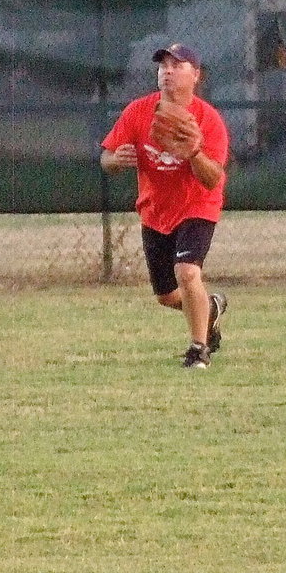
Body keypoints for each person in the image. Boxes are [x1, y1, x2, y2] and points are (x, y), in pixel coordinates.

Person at [100, 42, 229, 369]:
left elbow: (213, 179)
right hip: (156, 211)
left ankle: (199, 349)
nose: (167, 71)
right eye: (163, 66)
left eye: (177, 65)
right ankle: (209, 308)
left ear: (196, 75)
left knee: (187, 272)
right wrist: (116, 160)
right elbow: (106, 157)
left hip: (197, 205)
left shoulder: (209, 120)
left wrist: (194, 154)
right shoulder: (137, 112)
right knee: (167, 296)